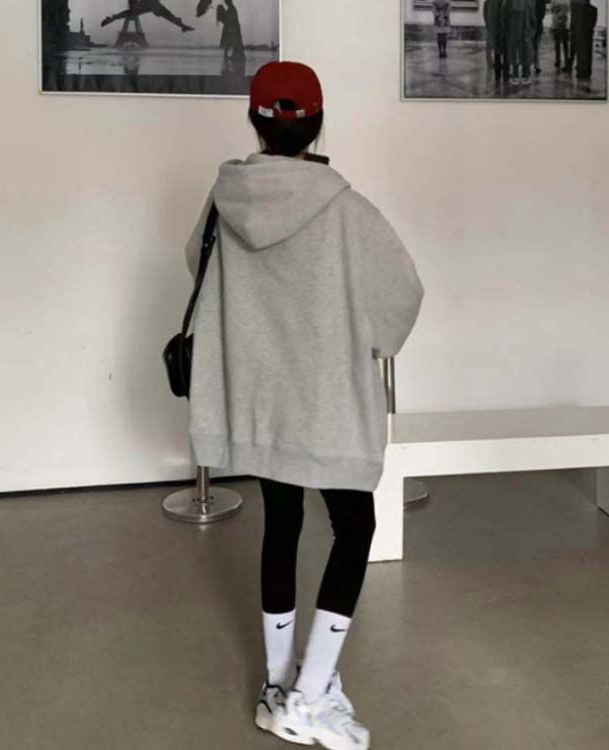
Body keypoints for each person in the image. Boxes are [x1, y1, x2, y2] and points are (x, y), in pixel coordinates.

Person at [183, 61, 424, 749]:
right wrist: (367, 335)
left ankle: (276, 685)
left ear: (254, 121)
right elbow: (402, 295)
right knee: (354, 526)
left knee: (282, 523)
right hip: (326, 399)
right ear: (317, 122)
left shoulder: (224, 199)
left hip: (259, 397)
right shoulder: (347, 209)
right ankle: (309, 696)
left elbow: (197, 267)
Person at [100, 0, 194, 32]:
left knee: (130, 12)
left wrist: (132, 6)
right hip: (151, 3)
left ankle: (112, 18)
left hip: (149, 3)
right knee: (168, 15)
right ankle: (182, 26)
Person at [506, 0, 537, 86]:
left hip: (518, 30)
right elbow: (533, 17)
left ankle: (518, 75)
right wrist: (532, 31)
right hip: (522, 29)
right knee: (522, 52)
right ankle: (523, 75)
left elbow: (505, 16)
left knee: (518, 51)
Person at [217, 0, 245, 75]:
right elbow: (228, 22)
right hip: (233, 32)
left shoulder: (231, 10)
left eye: (226, 1)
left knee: (233, 51)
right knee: (233, 51)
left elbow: (229, 22)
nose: (225, 2)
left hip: (233, 32)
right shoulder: (231, 9)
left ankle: (229, 71)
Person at [551, 0, 571, 71]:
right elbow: (568, 11)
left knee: (557, 45)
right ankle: (567, 61)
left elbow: (552, 11)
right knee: (565, 45)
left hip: (556, 24)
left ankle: (557, 60)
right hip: (564, 25)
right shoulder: (567, 1)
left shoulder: (554, 1)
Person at [533, 0, 547, 74]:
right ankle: (536, 64)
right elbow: (542, 13)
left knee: (533, 46)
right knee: (536, 47)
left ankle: (534, 64)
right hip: (537, 25)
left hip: (533, 25)